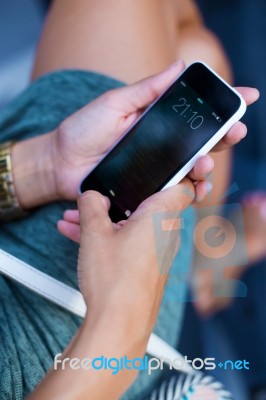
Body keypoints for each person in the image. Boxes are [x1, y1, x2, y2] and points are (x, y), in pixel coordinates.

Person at [0, 0, 259, 398]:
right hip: (65, 357)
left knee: (199, 55)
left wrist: (44, 166)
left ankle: (202, 263)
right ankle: (205, 269)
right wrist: (124, 316)